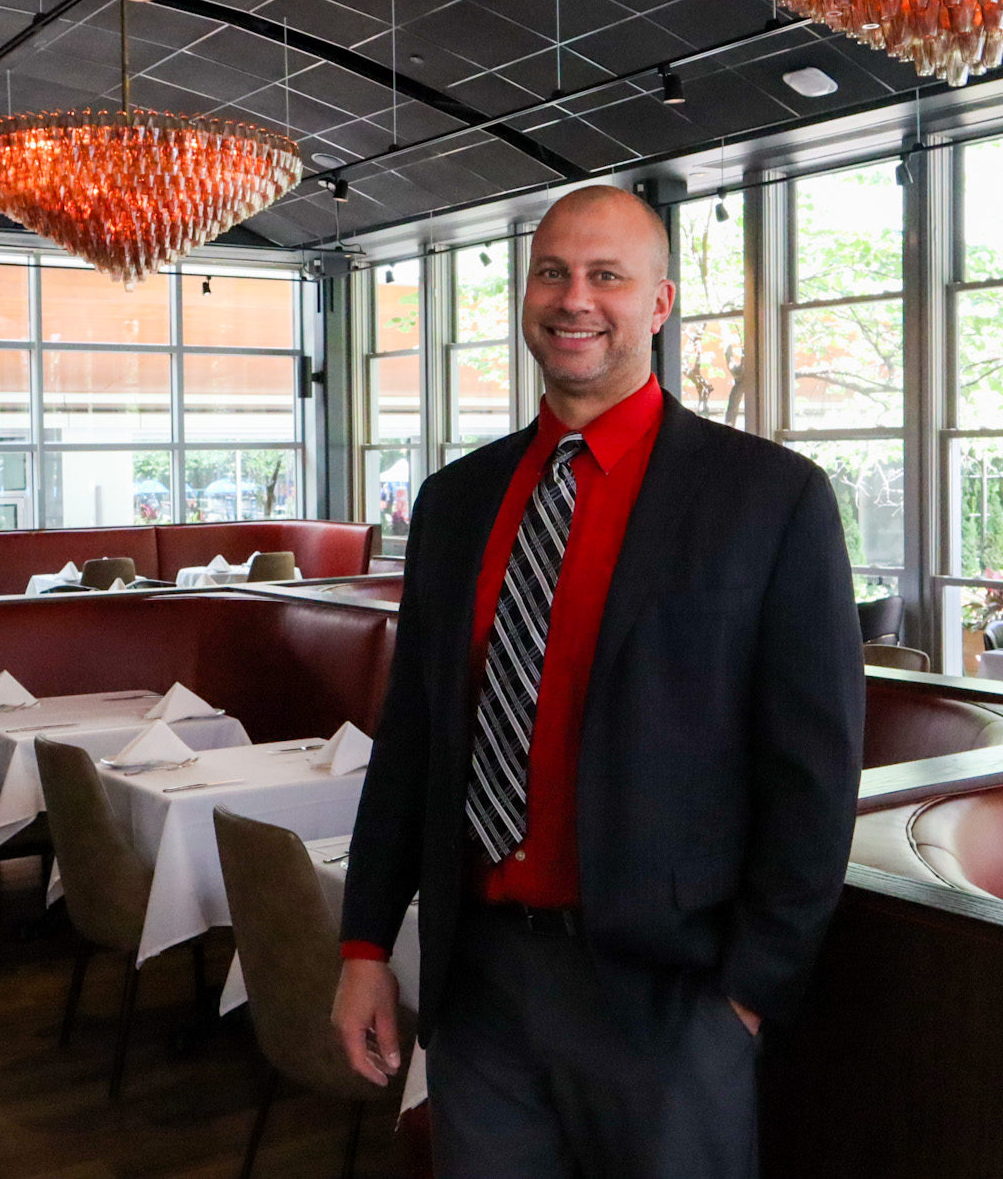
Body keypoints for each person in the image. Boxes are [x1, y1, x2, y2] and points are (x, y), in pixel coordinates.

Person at [334, 185, 864, 1177]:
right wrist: (365, 943)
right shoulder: (454, 505)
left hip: (671, 1000)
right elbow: (412, 741)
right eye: (552, 272)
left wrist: (742, 997)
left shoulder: (770, 499)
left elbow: (814, 778)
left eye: (606, 276)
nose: (573, 299)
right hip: (481, 981)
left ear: (658, 305)